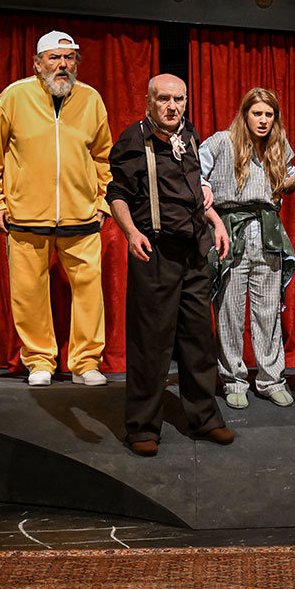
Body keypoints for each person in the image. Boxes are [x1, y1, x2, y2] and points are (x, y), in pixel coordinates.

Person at [0, 30, 113, 387]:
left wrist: (103, 202)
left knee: (89, 292)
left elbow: (104, 156)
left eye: (69, 58)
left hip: (82, 214)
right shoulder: (14, 97)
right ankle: (39, 361)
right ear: (38, 64)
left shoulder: (91, 99)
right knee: (28, 293)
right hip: (25, 215)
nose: (62, 64)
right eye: (54, 58)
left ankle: (85, 363)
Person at [108, 73, 235, 457]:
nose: (172, 106)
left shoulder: (189, 136)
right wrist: (131, 232)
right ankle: (142, 427)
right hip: (156, 252)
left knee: (198, 340)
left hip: (194, 253)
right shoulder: (133, 140)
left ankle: (205, 418)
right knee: (151, 344)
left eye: (178, 99)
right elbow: (117, 193)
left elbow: (195, 192)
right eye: (164, 99)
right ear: (149, 102)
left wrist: (216, 222)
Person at [199, 88, 295, 410]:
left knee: (268, 311)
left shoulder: (278, 146)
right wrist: (204, 186)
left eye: (269, 115)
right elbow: (196, 172)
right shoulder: (221, 142)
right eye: (257, 113)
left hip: (268, 232)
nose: (263, 120)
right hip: (231, 232)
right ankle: (234, 380)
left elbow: (282, 183)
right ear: (245, 114)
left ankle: (271, 379)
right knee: (230, 311)